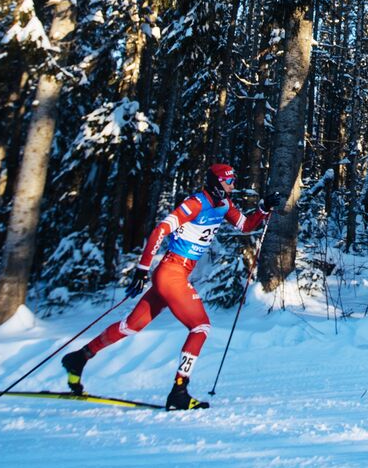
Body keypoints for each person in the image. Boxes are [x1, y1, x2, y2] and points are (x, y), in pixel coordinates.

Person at [62, 162, 273, 410]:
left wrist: (263, 209)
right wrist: (142, 268)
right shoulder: (196, 203)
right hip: (171, 272)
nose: (232, 185)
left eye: (233, 181)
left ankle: (80, 357)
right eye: (228, 181)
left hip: (177, 272)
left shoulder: (224, 204)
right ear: (216, 183)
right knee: (200, 327)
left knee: (130, 326)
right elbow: (160, 230)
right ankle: (179, 391)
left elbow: (246, 226)